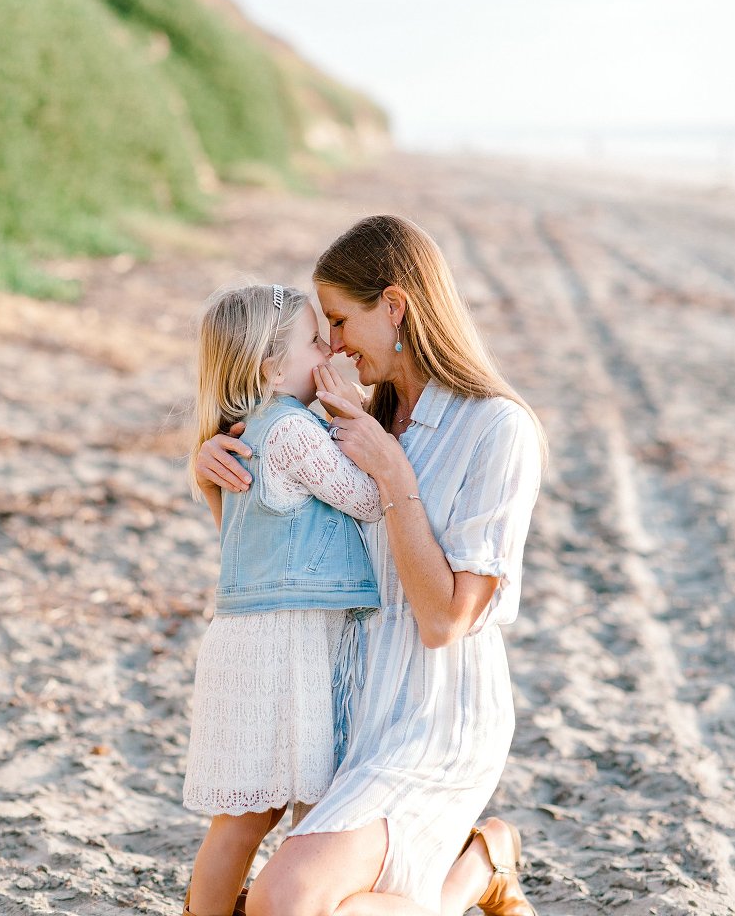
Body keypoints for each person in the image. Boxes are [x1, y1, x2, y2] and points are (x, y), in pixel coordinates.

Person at [195, 216, 545, 916]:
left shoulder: (496, 429)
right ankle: (468, 875)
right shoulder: (345, 417)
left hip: (431, 725)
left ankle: (477, 867)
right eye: (322, 327)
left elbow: (448, 620)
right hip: (345, 714)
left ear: (394, 306)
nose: (334, 346)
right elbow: (279, 552)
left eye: (341, 320)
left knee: (280, 904)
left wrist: (395, 479)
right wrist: (213, 476)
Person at [182, 283, 383, 916]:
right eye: (314, 339)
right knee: (277, 810)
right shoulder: (295, 433)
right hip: (280, 644)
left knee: (247, 814)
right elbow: (372, 499)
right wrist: (356, 419)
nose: (329, 347)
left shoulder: (251, 430)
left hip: (252, 635)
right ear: (273, 366)